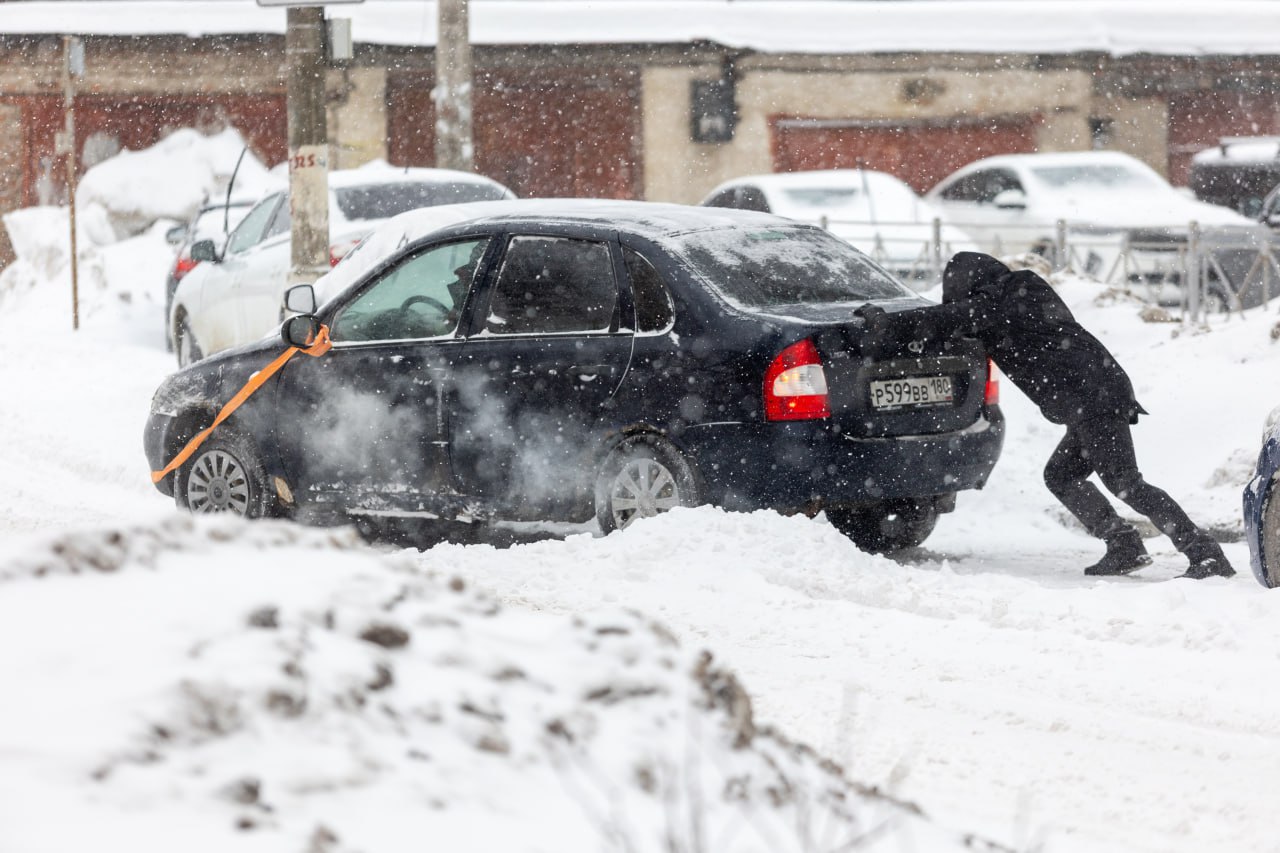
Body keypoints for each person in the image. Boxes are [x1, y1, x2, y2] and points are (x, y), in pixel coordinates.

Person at [857, 251, 1233, 579]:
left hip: (1095, 395)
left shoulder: (1015, 291)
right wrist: (893, 335)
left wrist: (892, 321)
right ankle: (1124, 544)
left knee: (1125, 482)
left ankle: (1204, 553)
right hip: (1088, 398)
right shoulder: (997, 307)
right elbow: (952, 326)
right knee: (1062, 476)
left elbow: (956, 316)